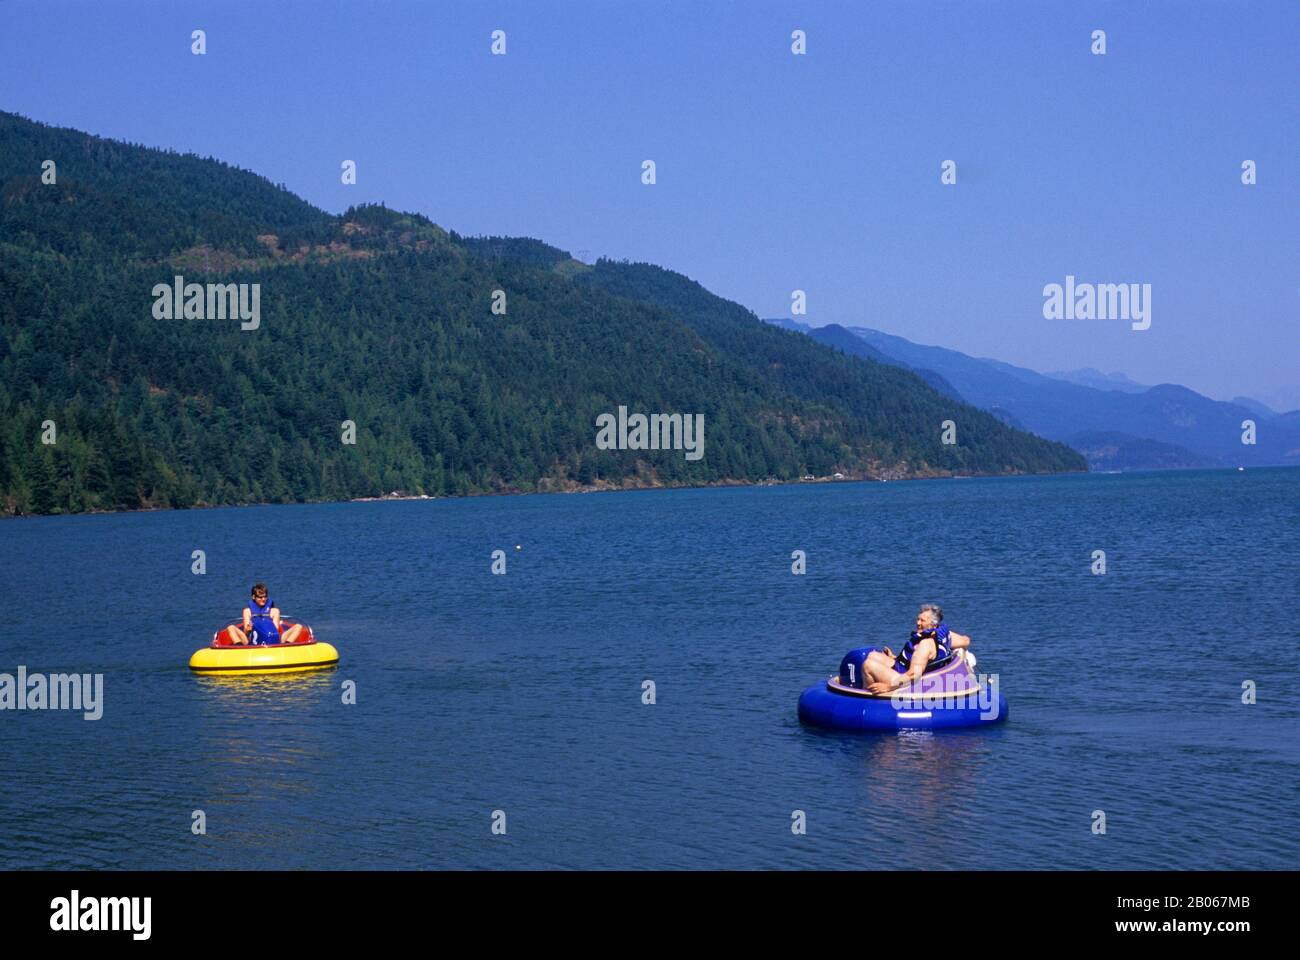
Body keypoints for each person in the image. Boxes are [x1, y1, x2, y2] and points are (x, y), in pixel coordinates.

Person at [862, 604, 971, 693]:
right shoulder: (945, 635)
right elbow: (965, 641)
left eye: (922, 621)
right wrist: (894, 657)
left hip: (906, 681)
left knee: (868, 665)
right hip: (906, 670)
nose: (918, 623)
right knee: (873, 655)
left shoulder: (925, 645)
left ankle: (871, 696)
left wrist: (888, 687)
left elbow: (914, 675)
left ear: (933, 625)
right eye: (918, 619)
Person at [224, 583, 304, 646]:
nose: (263, 599)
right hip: (253, 641)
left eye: (265, 597)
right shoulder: (247, 611)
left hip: (273, 640)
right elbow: (245, 633)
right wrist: (248, 629)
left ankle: (287, 646)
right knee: (231, 627)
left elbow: (275, 631)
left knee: (298, 626)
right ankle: (239, 649)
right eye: (260, 597)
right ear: (253, 597)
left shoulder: (274, 611)